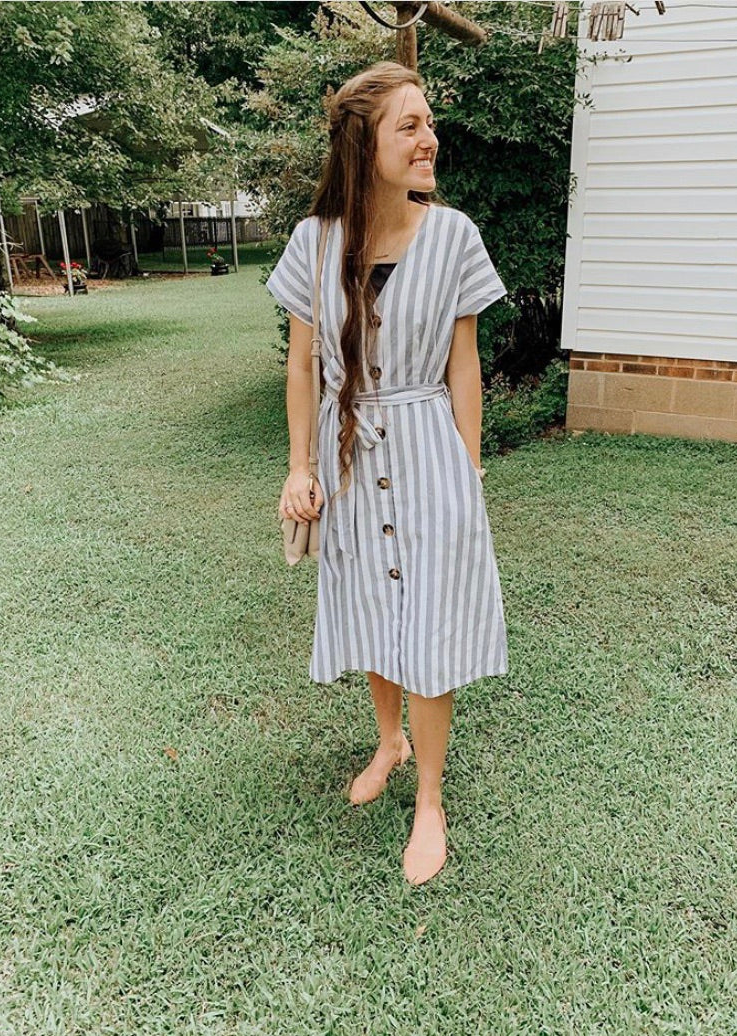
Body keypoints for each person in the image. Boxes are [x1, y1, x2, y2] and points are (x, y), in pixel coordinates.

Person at [266, 61, 508, 885]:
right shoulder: (315, 242)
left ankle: (430, 800)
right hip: (347, 454)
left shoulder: (455, 236)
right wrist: (299, 465)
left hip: (428, 451)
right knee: (373, 607)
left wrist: (469, 470)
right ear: (363, 143)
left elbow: (464, 368)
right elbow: (302, 367)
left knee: (431, 626)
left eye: (428, 122)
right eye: (409, 125)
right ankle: (390, 742)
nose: (428, 138)